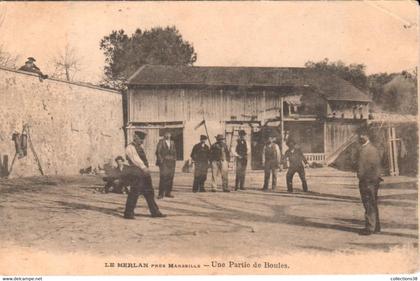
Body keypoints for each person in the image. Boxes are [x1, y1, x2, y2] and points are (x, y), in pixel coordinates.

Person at [122, 131, 165, 219]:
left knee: (149, 192)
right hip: (136, 172)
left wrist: (145, 169)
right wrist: (144, 167)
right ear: (135, 137)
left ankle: (155, 211)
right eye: (140, 139)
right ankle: (128, 213)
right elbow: (135, 159)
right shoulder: (130, 147)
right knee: (134, 192)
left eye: (142, 139)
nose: (142, 141)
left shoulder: (140, 147)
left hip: (144, 173)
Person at [356, 128, 382, 235]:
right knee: (371, 203)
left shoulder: (370, 149)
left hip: (368, 181)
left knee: (369, 204)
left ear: (368, 136)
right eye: (360, 134)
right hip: (367, 180)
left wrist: (369, 179)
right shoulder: (364, 148)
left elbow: (375, 167)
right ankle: (376, 227)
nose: (361, 136)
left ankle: (370, 228)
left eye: (363, 134)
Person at [156, 130, 177, 199]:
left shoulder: (172, 142)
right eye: (167, 134)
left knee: (170, 177)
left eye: (169, 134)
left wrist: (174, 159)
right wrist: (161, 161)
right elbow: (158, 152)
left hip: (171, 162)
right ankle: (161, 194)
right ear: (164, 135)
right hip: (164, 162)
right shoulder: (161, 142)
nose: (168, 135)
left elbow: (174, 152)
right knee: (163, 177)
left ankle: (168, 192)